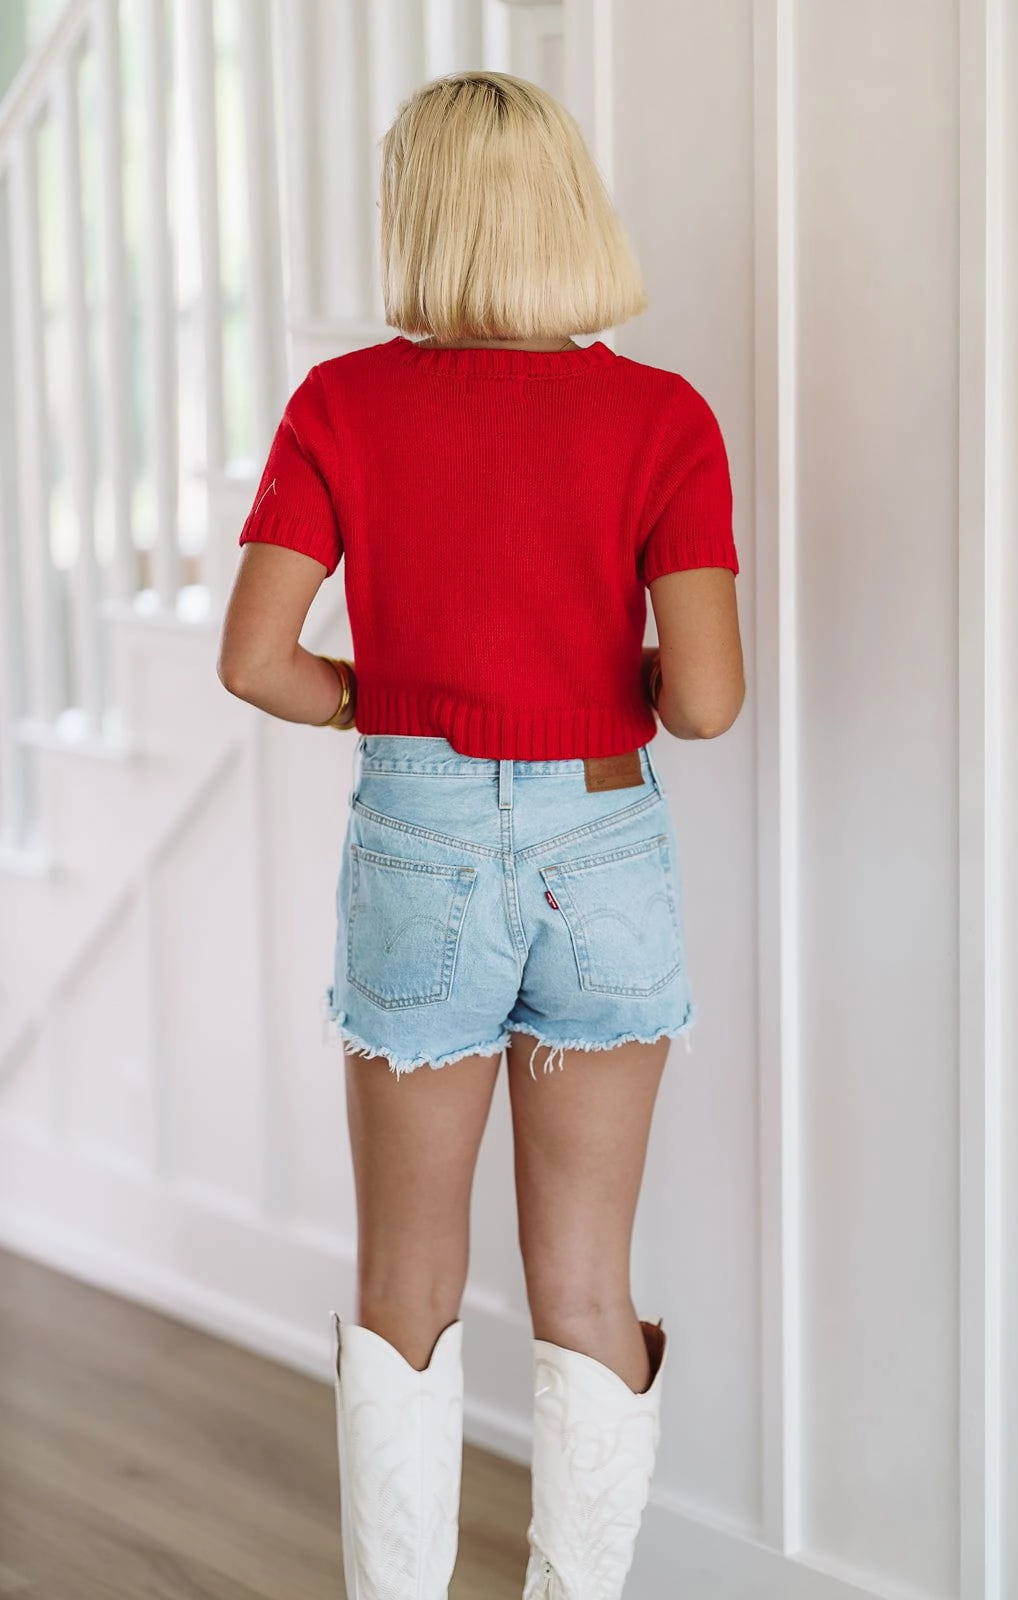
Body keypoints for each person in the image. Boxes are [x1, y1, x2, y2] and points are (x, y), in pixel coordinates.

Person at [217, 68, 743, 1600]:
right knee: (586, 1287)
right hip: (603, 850)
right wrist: (595, 686)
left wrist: (391, 704)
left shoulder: (342, 404)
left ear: (417, 219)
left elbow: (255, 659)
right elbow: (703, 702)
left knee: (405, 1287)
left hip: (415, 846)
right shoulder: (662, 419)